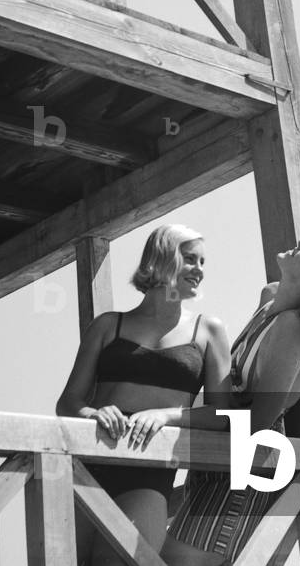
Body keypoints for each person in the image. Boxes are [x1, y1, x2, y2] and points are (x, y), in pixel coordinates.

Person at [154, 239, 300, 566]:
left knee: (165, 561)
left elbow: (256, 426)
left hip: (243, 473)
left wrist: (172, 416)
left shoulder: (292, 328)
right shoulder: (270, 301)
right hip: (213, 462)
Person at [55, 223, 230, 566]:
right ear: (162, 257)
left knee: (117, 560)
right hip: (89, 464)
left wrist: (166, 416)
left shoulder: (209, 330)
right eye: (190, 259)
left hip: (150, 470)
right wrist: (94, 413)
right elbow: (68, 402)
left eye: (203, 262)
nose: (199, 270)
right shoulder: (107, 325)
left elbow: (222, 416)